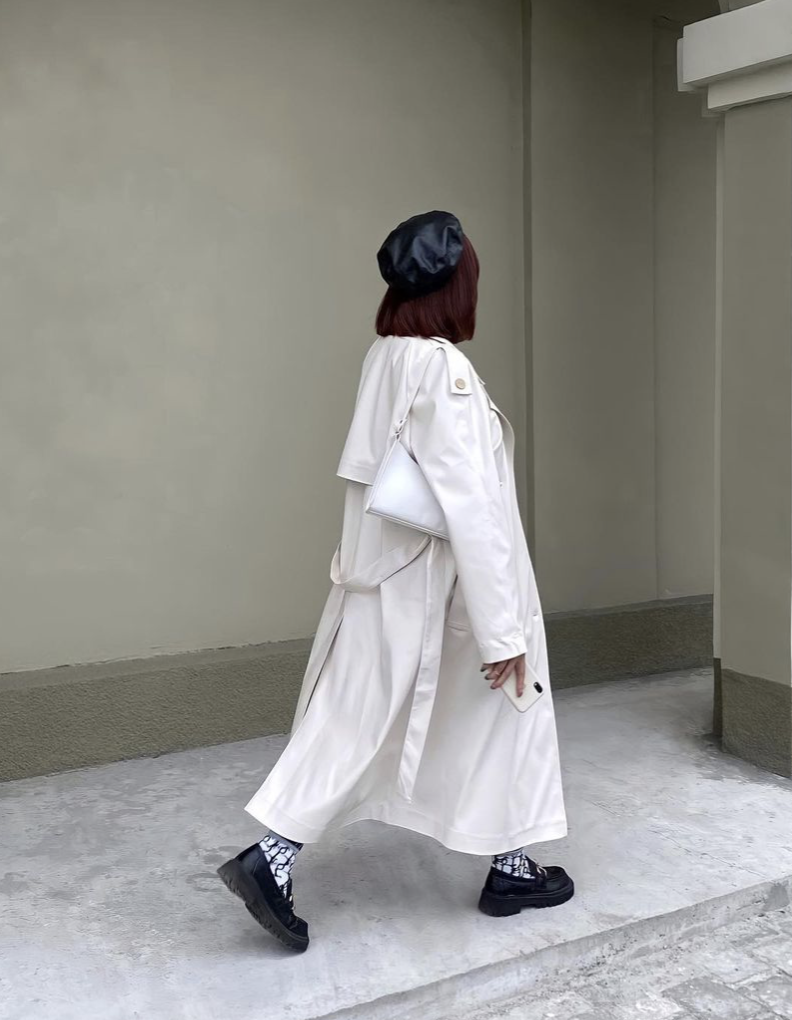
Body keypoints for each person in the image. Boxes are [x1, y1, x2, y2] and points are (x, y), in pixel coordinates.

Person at [218, 211, 571, 953]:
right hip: (439, 589)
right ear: (454, 287)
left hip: (386, 578)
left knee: (401, 716)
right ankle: (272, 857)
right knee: (470, 707)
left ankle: (509, 865)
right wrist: (503, 628)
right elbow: (473, 506)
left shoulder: (385, 356)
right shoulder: (443, 371)